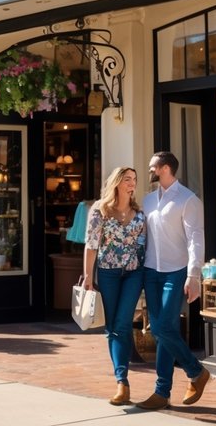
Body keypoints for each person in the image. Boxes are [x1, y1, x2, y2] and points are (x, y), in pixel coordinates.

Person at [137, 151, 210, 411]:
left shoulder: (188, 200)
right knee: (161, 330)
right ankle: (162, 392)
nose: (148, 170)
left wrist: (194, 274)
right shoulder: (146, 200)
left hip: (176, 271)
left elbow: (195, 239)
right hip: (150, 271)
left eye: (152, 166)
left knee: (163, 328)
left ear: (165, 168)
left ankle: (196, 372)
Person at [82, 166, 146, 406]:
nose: (132, 184)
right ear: (117, 183)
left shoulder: (139, 214)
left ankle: (122, 382)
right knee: (112, 327)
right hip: (107, 273)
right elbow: (91, 245)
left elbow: (144, 247)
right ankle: (122, 382)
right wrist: (88, 276)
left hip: (133, 274)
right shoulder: (100, 210)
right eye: (127, 179)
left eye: (135, 180)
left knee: (122, 324)